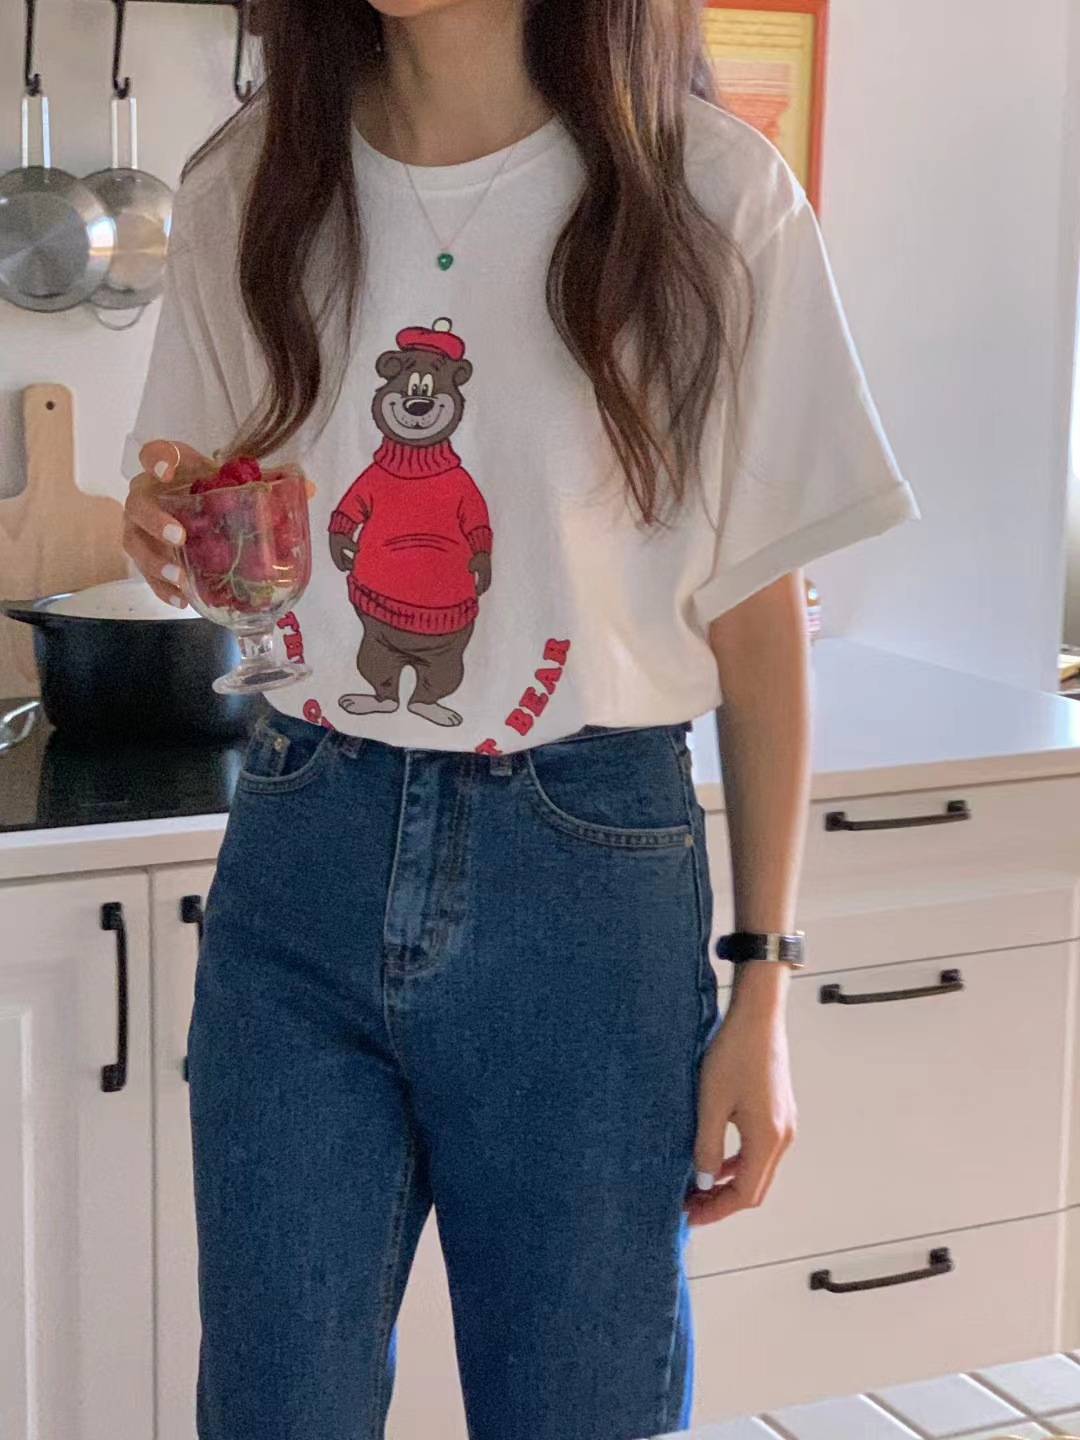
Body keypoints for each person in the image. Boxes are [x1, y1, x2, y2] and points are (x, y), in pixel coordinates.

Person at [121, 0, 921, 1434]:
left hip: (586, 881)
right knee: (272, 1408)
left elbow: (758, 633)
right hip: (304, 849)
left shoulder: (708, 196)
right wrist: (175, 526)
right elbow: (225, 511)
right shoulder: (253, 181)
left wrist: (764, 987)